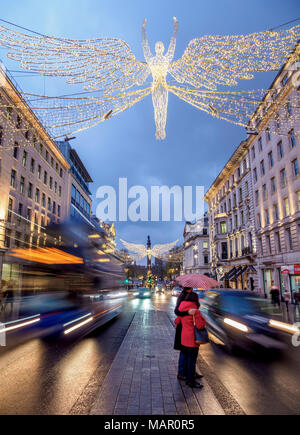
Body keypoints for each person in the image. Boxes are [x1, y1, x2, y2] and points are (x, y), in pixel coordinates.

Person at [175, 291, 206, 388]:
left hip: (184, 338)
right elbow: (200, 326)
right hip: (192, 339)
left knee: (187, 359)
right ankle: (191, 381)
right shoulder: (195, 310)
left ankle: (185, 375)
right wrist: (203, 319)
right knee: (192, 361)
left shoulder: (182, 308)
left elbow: (177, 321)